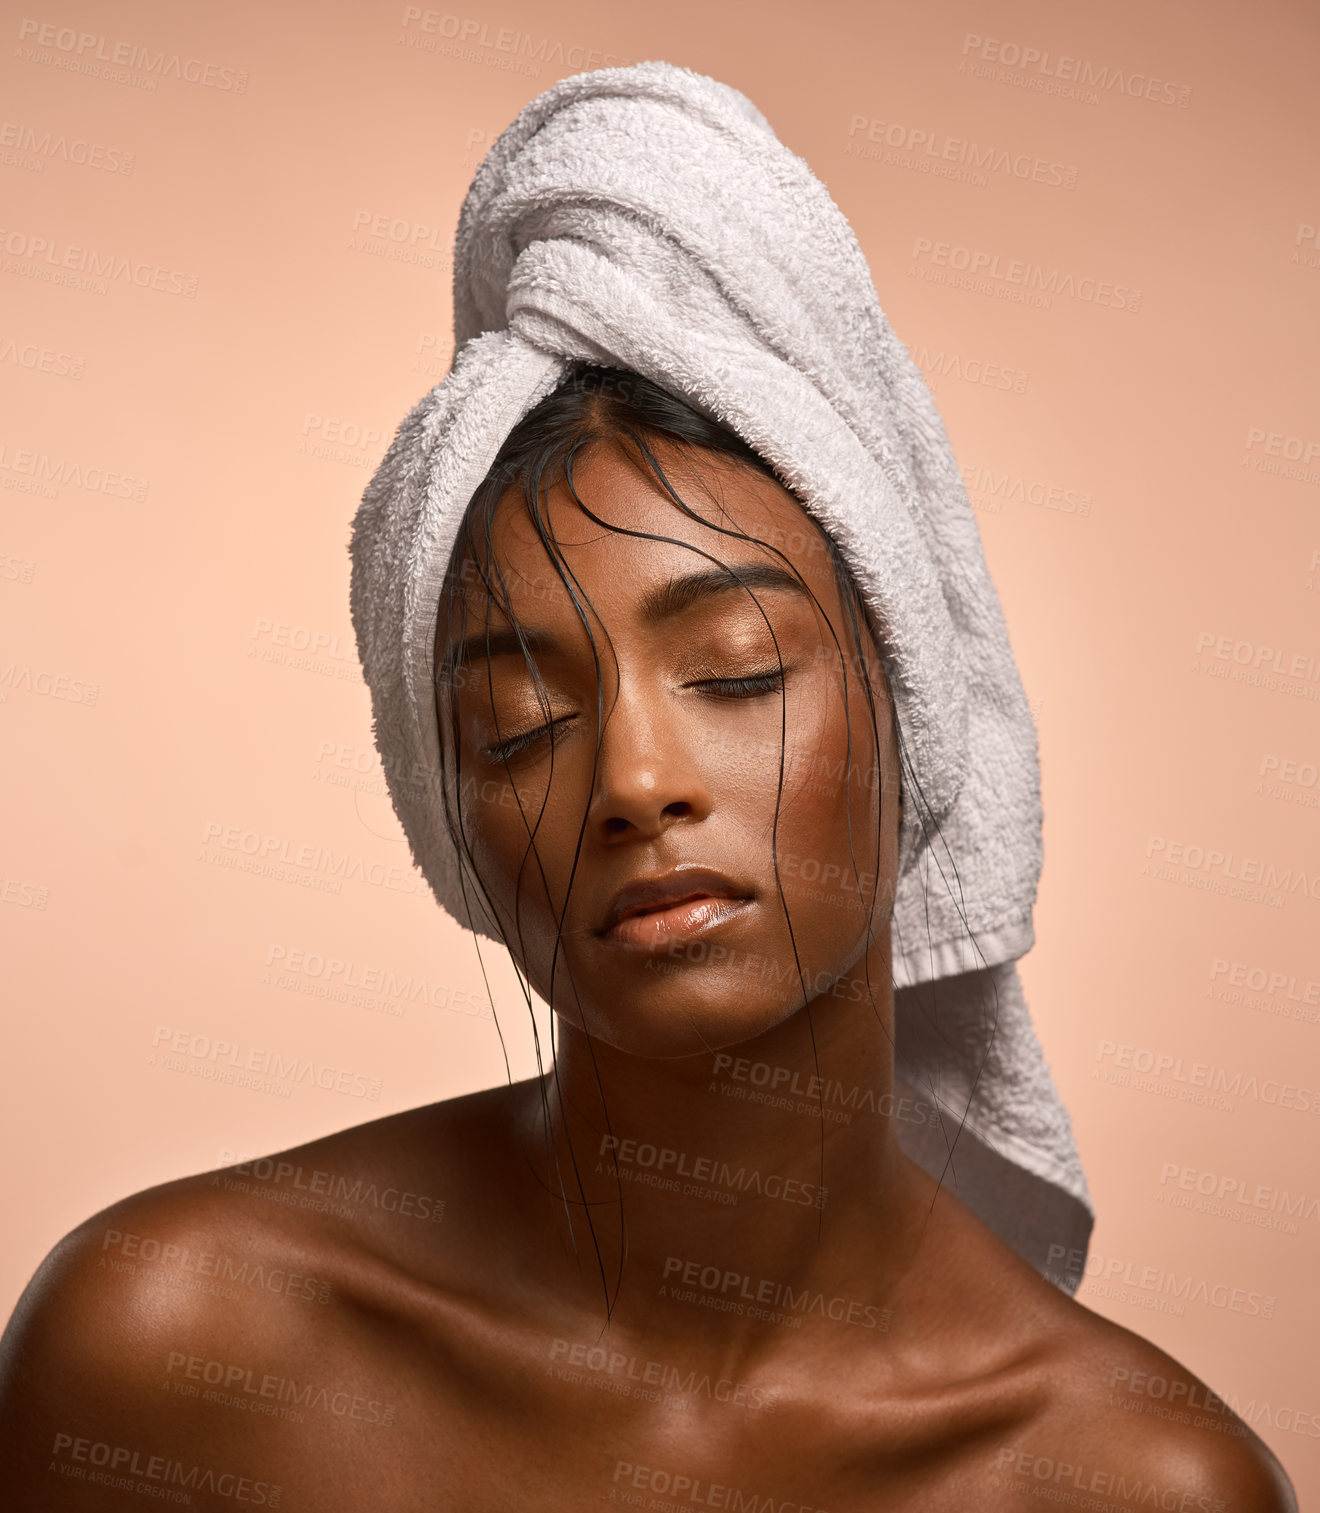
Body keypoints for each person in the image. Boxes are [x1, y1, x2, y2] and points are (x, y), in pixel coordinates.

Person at [0, 58, 1299, 1510]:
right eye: (516, 721)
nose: (631, 778)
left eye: (738, 671)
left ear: (916, 704)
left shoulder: (1132, 1486)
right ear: (450, 823)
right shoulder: (175, 1355)